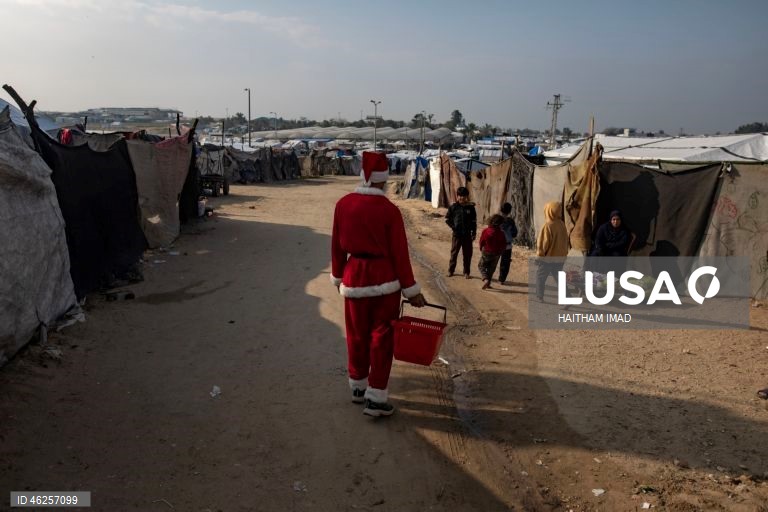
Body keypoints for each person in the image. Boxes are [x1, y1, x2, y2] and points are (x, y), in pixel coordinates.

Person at [331, 151, 427, 418]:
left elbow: (337, 246)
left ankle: (358, 387)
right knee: (381, 338)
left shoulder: (343, 204)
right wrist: (412, 289)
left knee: (356, 335)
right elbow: (400, 254)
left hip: (353, 278)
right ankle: (375, 397)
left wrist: (338, 275)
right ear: (383, 180)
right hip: (385, 281)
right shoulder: (389, 210)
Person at [535, 201, 569, 302]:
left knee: (540, 277)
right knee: (559, 279)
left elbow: (543, 244)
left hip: (548, 259)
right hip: (560, 258)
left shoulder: (548, 226)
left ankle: (540, 296)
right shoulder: (562, 224)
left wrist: (539, 256)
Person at [445, 187, 477, 279]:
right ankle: (451, 271)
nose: (461, 198)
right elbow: (447, 219)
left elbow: (474, 221)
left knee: (467, 254)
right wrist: (454, 227)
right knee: (454, 253)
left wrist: (474, 233)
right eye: (459, 196)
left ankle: (466, 272)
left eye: (463, 196)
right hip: (456, 235)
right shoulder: (453, 207)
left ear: (466, 197)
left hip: (467, 235)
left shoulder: (471, 208)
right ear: (457, 196)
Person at [478, 214, 507, 290]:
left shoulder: (486, 231)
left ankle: (485, 279)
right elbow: (504, 244)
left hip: (487, 252)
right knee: (491, 268)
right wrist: (501, 251)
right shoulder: (501, 233)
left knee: (481, 266)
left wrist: (481, 247)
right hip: (497, 254)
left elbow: (482, 241)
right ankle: (488, 283)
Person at [497, 202, 518, 285]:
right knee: (505, 263)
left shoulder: (496, 219)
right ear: (509, 211)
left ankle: (488, 277)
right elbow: (514, 233)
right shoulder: (511, 221)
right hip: (507, 246)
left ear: (500, 210)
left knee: (492, 261)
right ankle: (501, 279)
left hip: (496, 245)